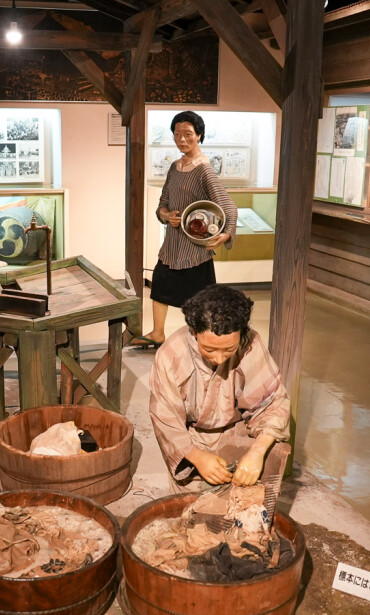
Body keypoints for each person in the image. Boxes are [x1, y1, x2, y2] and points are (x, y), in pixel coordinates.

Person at [148, 285, 291, 511]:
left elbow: (272, 403)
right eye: (209, 349)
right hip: (190, 439)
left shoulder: (250, 344)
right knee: (192, 512)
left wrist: (256, 452)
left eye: (228, 350)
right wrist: (196, 456)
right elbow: (165, 418)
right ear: (194, 332)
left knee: (242, 510)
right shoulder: (171, 354)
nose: (219, 358)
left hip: (237, 433)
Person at [130, 111, 238, 349]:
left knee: (200, 298)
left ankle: (202, 339)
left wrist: (226, 234)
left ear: (199, 135)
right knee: (160, 285)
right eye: (177, 134)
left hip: (195, 248)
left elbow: (228, 206)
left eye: (188, 134)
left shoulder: (204, 170)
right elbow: (162, 204)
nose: (182, 139)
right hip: (172, 245)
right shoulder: (175, 167)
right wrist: (166, 215)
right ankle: (157, 333)